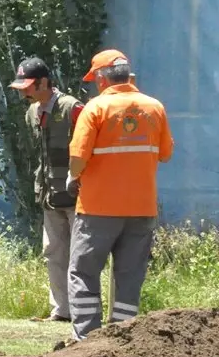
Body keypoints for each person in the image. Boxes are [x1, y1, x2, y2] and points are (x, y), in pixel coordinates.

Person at [67, 50, 173, 340]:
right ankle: (124, 339)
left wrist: (73, 176)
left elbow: (78, 157)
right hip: (141, 208)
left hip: (98, 209)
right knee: (129, 276)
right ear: (128, 76)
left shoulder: (95, 109)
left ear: (101, 79)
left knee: (84, 272)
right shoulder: (154, 107)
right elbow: (165, 154)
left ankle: (88, 339)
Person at [9, 57, 84, 322]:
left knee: (81, 257)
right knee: (53, 252)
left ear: (43, 82)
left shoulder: (72, 107)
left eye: (28, 86)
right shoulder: (31, 113)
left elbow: (89, 148)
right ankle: (61, 311)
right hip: (49, 196)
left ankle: (82, 311)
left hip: (77, 196)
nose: (24, 92)